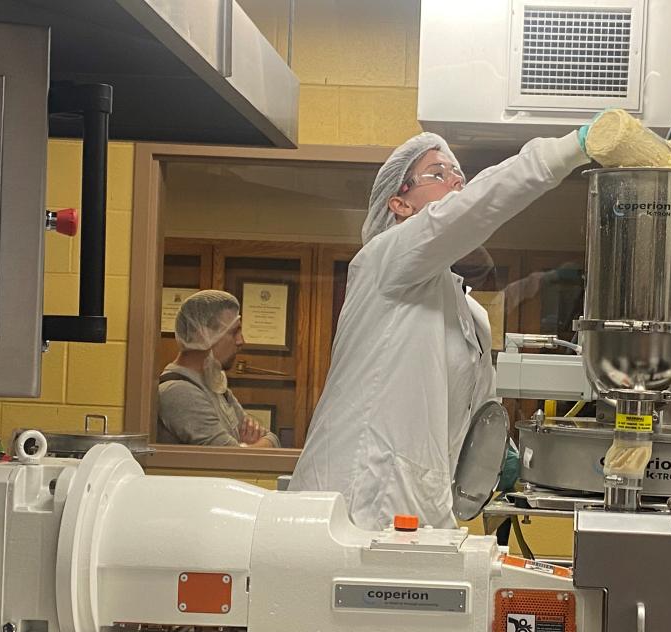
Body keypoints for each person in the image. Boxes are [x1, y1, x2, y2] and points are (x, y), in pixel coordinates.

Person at [290, 126, 593, 530]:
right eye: (438, 172)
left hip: (422, 515)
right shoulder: (384, 261)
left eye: (459, 174)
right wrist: (569, 149)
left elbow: (478, 411)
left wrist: (499, 460)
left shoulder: (472, 313)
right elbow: (471, 208)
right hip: (349, 508)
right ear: (399, 204)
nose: (456, 180)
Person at [157, 290, 279, 448]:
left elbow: (273, 439)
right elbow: (231, 459)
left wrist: (248, 448)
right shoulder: (179, 391)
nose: (241, 341)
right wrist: (247, 448)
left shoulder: (214, 383)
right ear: (203, 334)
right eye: (234, 332)